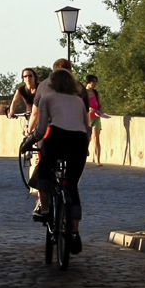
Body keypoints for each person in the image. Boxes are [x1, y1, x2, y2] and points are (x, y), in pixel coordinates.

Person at [30, 66, 89, 254]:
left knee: (45, 168)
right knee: (71, 185)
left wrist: (27, 143)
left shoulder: (47, 98)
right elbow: (86, 128)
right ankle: (75, 231)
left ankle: (45, 207)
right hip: (78, 141)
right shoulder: (79, 101)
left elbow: (40, 130)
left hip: (57, 137)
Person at [84, 74, 107, 166]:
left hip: (96, 117)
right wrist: (88, 109)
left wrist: (101, 109)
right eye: (93, 81)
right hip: (86, 118)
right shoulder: (83, 93)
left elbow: (99, 104)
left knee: (96, 138)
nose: (94, 83)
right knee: (87, 139)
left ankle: (97, 160)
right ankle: (83, 158)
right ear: (88, 82)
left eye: (95, 81)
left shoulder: (96, 93)